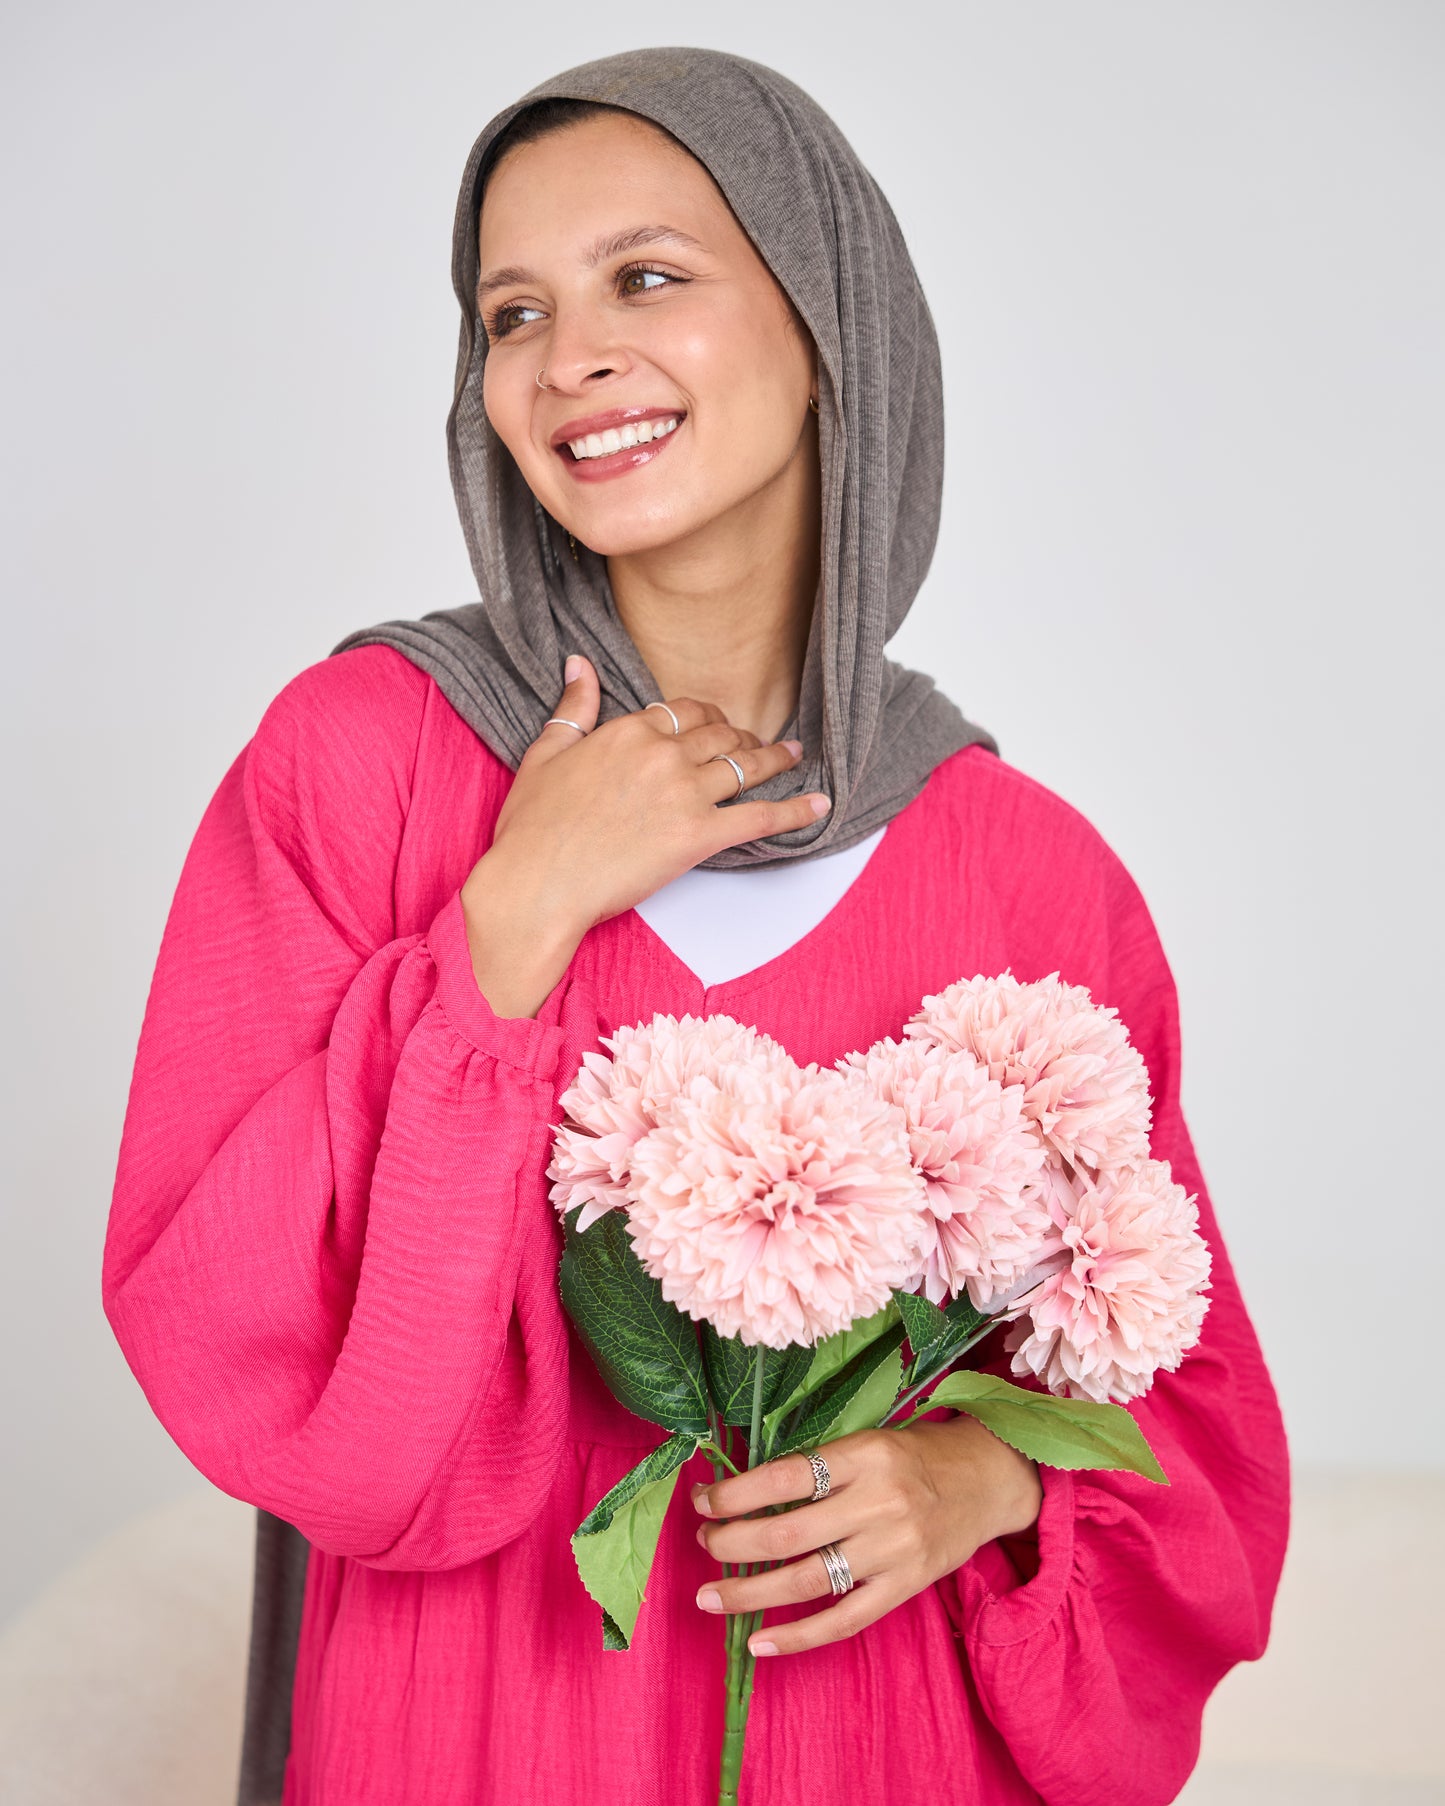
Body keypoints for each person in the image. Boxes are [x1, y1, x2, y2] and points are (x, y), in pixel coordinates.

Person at [101, 46, 1290, 1806]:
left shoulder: (1027, 876)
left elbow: (1182, 1416)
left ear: (825, 322)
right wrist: (511, 918)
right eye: (512, 311)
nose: (566, 357)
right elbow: (233, 1325)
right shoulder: (362, 770)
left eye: (645, 277)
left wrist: (987, 1481)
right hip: (474, 1736)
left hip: (879, 1750)